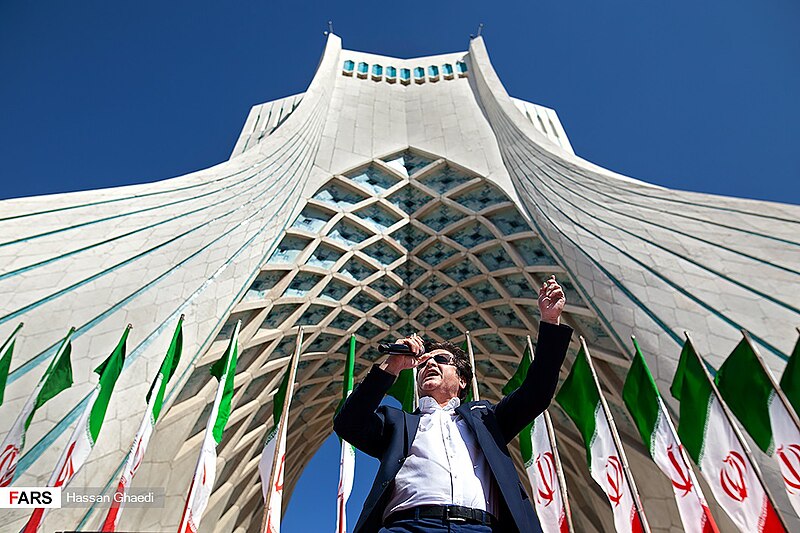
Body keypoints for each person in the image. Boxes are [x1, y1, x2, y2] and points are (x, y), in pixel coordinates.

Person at [333, 275, 573, 532]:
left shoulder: (486, 419)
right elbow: (349, 422)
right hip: (409, 526)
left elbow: (536, 393)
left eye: (441, 360)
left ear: (462, 380)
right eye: (423, 364)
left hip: (480, 526)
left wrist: (550, 322)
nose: (430, 364)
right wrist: (390, 367)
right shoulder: (398, 423)